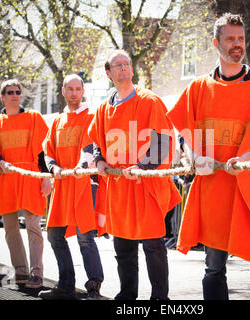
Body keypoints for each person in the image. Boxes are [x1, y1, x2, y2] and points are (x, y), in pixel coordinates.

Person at [166, 13, 250, 300]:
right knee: (213, 267)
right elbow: (184, 134)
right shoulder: (198, 88)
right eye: (230, 39)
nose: (237, 44)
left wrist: (245, 158)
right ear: (216, 43)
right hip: (214, 186)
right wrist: (195, 156)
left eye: (241, 38)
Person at [88, 49, 181, 300]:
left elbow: (162, 141)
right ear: (109, 73)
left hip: (146, 183)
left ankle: (160, 299)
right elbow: (97, 139)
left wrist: (142, 167)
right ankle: (127, 296)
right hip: (119, 186)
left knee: (153, 245)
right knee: (123, 245)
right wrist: (99, 160)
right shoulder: (103, 109)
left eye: (127, 64)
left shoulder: (149, 101)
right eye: (117, 65)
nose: (124, 68)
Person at [38, 74, 104, 300]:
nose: (75, 93)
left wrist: (81, 165)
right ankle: (66, 285)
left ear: (83, 91)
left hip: (84, 184)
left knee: (84, 237)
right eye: (70, 89)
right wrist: (53, 167)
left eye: (78, 89)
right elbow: (47, 151)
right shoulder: (57, 121)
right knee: (54, 235)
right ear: (63, 91)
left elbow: (92, 145)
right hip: (62, 185)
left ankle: (94, 286)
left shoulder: (91, 116)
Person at [0, 79, 51, 288]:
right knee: (10, 228)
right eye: (10, 92)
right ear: (3, 97)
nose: (14, 95)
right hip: (6, 178)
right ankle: (20, 272)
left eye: (17, 91)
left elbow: (42, 152)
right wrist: (1, 163)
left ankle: (36, 274)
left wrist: (46, 178)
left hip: (30, 176)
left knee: (33, 227)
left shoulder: (34, 117)